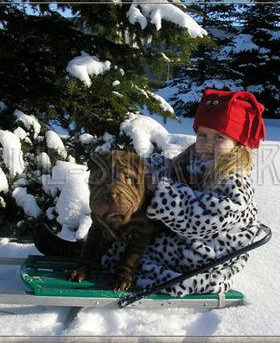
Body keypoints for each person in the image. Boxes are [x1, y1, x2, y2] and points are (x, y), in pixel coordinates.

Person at [101, 89, 266, 296]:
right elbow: (168, 168)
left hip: (203, 254)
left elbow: (203, 219)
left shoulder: (235, 181)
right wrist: (141, 169)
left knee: (130, 244)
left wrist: (160, 190)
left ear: (237, 144)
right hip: (183, 242)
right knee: (124, 227)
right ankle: (87, 250)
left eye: (219, 137)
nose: (208, 143)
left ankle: (101, 257)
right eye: (202, 134)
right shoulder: (194, 162)